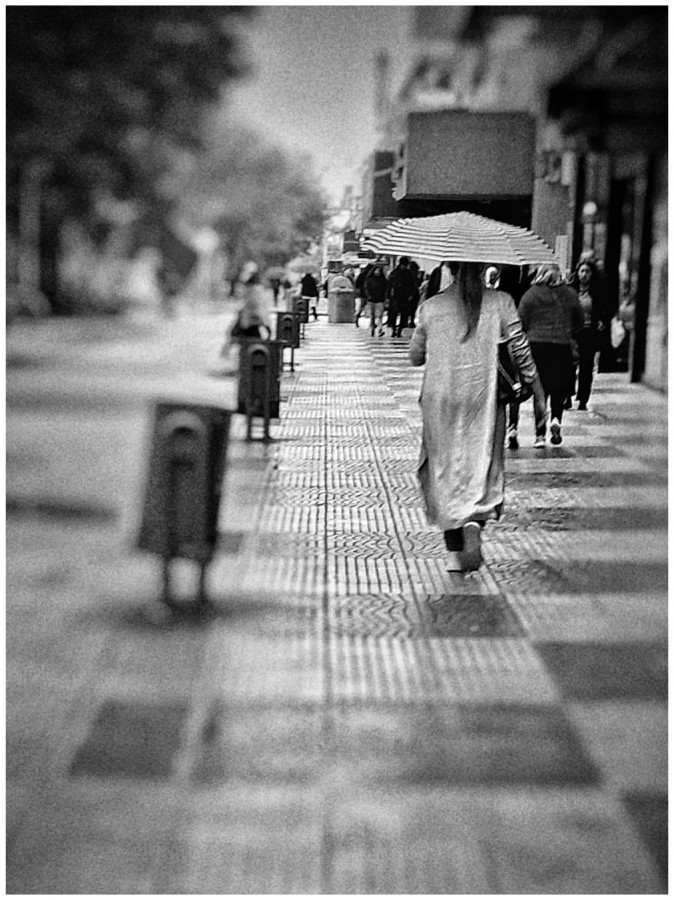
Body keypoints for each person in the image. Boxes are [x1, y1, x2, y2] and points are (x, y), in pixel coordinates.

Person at [409, 262, 541, 572]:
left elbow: (415, 357)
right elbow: (520, 348)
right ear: (484, 267)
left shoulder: (431, 307)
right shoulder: (502, 302)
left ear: (449, 268)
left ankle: (454, 552)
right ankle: (475, 519)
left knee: (442, 468)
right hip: (485, 396)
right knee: (481, 461)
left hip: (439, 398)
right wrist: (538, 389)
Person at [518, 264, 584, 447]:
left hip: (536, 346)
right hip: (561, 345)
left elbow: (521, 320)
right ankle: (556, 419)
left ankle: (540, 435)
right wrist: (568, 330)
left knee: (540, 391)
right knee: (558, 388)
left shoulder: (530, 294)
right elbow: (579, 320)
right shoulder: (570, 294)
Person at [569, 257, 608, 409]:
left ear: (592, 274)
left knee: (586, 366)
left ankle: (583, 399)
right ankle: (567, 395)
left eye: (587, 271)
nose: (584, 274)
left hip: (589, 332)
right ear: (577, 273)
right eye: (582, 271)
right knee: (570, 365)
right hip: (573, 332)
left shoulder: (597, 291)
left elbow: (606, 307)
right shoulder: (571, 290)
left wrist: (602, 320)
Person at [221, 270, 272, 358]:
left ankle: (229, 357)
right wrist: (266, 324)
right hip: (252, 320)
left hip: (246, 320)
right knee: (253, 341)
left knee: (237, 338)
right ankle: (248, 360)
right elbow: (258, 308)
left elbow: (250, 306)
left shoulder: (248, 289)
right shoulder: (256, 290)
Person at [387, 256, 417, 338]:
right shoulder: (399, 273)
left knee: (401, 314)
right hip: (399, 296)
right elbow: (390, 285)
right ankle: (395, 330)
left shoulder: (396, 273)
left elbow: (413, 285)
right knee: (397, 314)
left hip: (401, 296)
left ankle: (398, 330)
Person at [362, 264, 387, 336]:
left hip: (380, 300)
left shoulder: (383, 280)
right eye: (377, 270)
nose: (378, 272)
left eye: (379, 271)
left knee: (379, 315)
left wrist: (385, 296)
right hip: (371, 300)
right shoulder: (369, 279)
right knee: (372, 315)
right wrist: (369, 296)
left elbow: (386, 289)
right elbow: (366, 288)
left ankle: (380, 329)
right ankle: (372, 328)